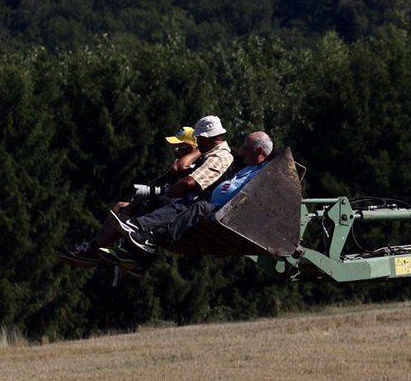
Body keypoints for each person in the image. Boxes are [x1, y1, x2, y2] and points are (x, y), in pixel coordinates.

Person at [60, 116, 234, 267]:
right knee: (124, 206)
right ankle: (96, 248)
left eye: (180, 147)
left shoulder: (216, 156)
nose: (176, 151)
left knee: (145, 204)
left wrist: (194, 152)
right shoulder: (207, 156)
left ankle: (105, 249)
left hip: (192, 207)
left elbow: (183, 175)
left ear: (200, 141)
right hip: (180, 203)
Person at [98, 130, 274, 272]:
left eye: (246, 148)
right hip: (207, 203)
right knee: (164, 201)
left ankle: (144, 234)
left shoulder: (264, 171)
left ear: (259, 152)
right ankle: (135, 252)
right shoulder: (247, 167)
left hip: (223, 212)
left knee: (198, 206)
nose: (242, 152)